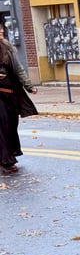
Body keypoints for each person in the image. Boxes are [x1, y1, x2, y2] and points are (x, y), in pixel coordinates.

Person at [0, 29, 38, 176]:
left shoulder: (8, 49)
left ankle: (9, 154)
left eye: (1, 30)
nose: (1, 32)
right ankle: (5, 161)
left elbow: (19, 69)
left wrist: (29, 86)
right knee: (2, 126)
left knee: (11, 126)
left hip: (10, 94)